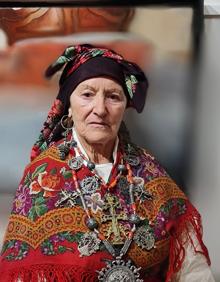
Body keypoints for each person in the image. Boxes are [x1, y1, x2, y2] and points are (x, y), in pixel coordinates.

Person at [0, 44, 214, 282]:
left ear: (125, 107)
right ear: (68, 106)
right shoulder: (43, 177)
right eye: (87, 95)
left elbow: (193, 271)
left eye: (113, 97)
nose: (100, 109)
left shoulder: (151, 174)